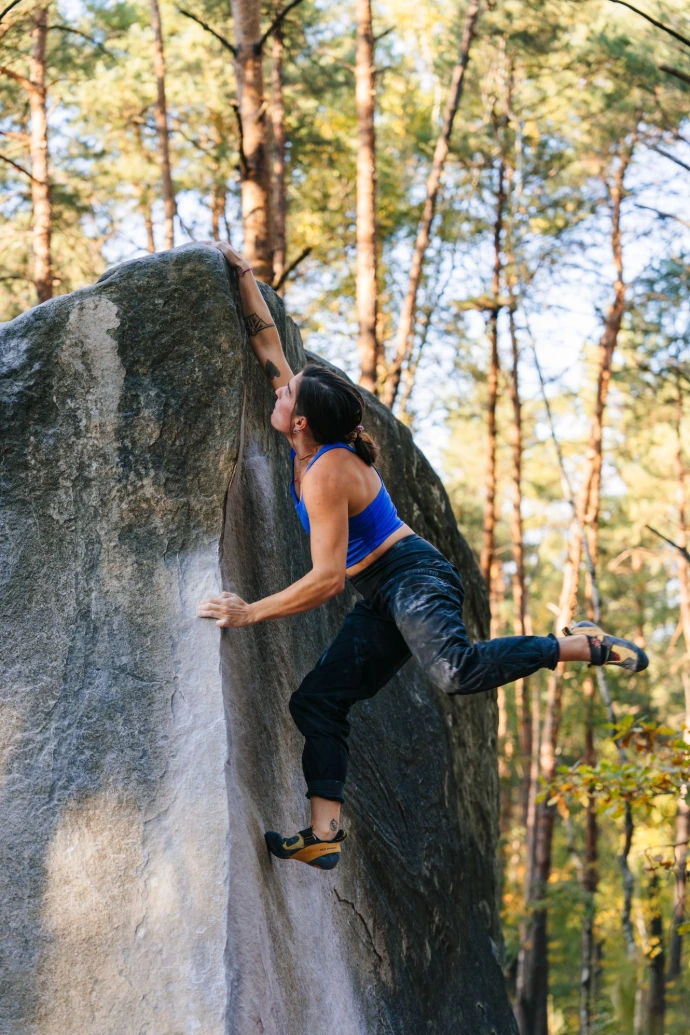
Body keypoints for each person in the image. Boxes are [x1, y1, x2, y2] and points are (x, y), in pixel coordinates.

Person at [196, 242, 648, 871]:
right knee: (317, 700)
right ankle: (325, 834)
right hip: (380, 592)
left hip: (412, 576)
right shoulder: (309, 435)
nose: (277, 391)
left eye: (285, 396)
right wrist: (243, 275)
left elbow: (326, 579)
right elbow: (269, 345)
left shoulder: (327, 471)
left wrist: (247, 614)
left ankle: (579, 644)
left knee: (455, 672)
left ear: (300, 423)